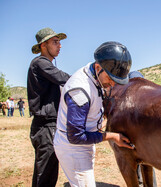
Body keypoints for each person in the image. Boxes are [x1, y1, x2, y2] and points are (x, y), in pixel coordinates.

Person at [54, 41, 134, 186]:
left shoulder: (95, 76)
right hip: (74, 149)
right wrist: (112, 136)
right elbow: (76, 136)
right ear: (98, 67)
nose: (112, 84)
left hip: (84, 145)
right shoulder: (80, 91)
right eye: (110, 79)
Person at [27, 27, 70, 187]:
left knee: (50, 172)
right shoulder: (40, 63)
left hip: (50, 125)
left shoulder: (44, 65)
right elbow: (64, 78)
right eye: (55, 42)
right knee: (45, 175)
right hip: (46, 126)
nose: (60, 46)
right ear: (43, 45)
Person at [128, 71, 158, 187]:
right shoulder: (150, 97)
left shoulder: (129, 100)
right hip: (144, 140)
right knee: (146, 164)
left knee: (138, 164)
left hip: (137, 140)